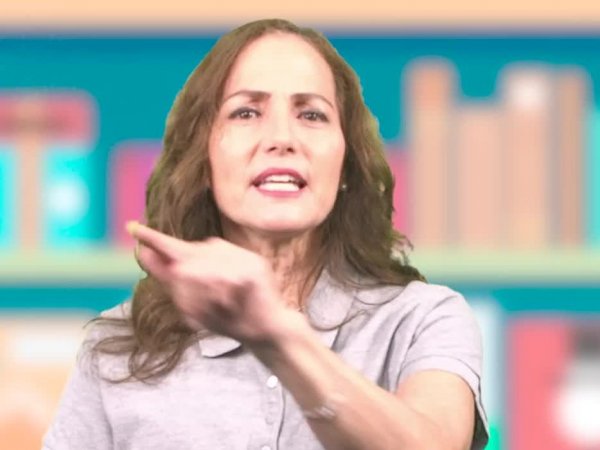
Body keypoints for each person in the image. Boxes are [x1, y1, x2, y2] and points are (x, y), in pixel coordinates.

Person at [43, 18, 489, 450]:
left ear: (346, 164)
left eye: (311, 114)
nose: (281, 138)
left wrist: (276, 334)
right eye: (246, 112)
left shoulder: (423, 319)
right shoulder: (115, 350)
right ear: (203, 160)